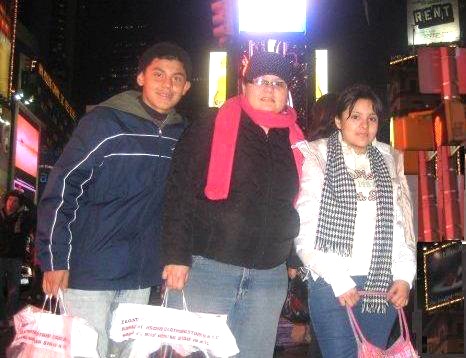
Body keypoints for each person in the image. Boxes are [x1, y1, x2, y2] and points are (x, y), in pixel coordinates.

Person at [36, 42, 192, 358]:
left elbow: (184, 204)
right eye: (158, 74)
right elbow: (63, 187)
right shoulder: (105, 123)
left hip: (141, 276)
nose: (167, 84)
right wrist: (54, 260)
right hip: (88, 272)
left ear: (186, 87)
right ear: (141, 78)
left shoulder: (185, 136)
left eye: (177, 78)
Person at [161, 51, 305, 358]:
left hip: (268, 278)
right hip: (209, 271)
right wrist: (176, 255)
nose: (270, 89)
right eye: (262, 81)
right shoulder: (213, 123)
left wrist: (292, 257)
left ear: (286, 93)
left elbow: (294, 204)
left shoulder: (293, 139)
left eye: (279, 83)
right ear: (245, 85)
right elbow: (180, 189)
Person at [294, 84, 416, 357]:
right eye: (355, 116)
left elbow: (402, 224)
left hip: (381, 284)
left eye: (371, 118)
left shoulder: (389, 159)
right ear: (338, 121)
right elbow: (305, 226)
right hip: (332, 282)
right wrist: (338, 279)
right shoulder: (316, 155)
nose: (364, 125)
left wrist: (404, 276)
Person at [0, 190, 34, 330]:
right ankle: (2, 318)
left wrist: (24, 199)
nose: (12, 203)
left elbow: (34, 211)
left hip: (15, 258)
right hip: (0, 257)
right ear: (5, 201)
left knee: (14, 290)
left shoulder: (23, 218)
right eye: (10, 200)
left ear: (19, 204)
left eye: (15, 201)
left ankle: (9, 317)